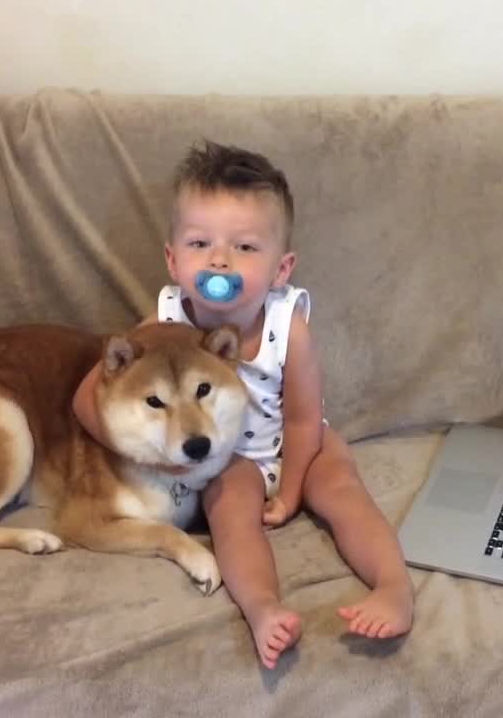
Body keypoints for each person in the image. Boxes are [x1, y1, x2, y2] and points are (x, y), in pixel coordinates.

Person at [72, 140, 414, 669]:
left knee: (345, 493)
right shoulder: (162, 327)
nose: (219, 260)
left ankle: (393, 587)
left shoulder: (288, 327)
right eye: (200, 242)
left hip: (298, 442)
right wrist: (151, 456)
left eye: (246, 248)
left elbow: (302, 417)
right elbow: (85, 400)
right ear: (173, 258)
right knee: (232, 518)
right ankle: (263, 609)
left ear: (282, 268)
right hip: (231, 461)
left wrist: (295, 488)